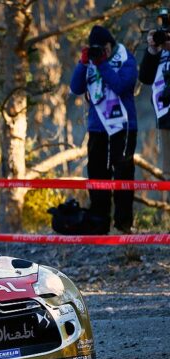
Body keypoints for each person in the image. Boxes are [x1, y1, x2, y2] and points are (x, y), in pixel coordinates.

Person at [70, 25, 138, 234]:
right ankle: (99, 224)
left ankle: (122, 225)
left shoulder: (126, 58)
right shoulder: (90, 61)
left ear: (111, 45)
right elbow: (75, 87)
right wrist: (83, 64)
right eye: (97, 49)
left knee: (123, 175)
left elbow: (121, 85)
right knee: (98, 175)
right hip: (98, 127)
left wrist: (102, 64)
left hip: (123, 125)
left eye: (104, 48)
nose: (102, 52)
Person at [138, 20, 170, 179]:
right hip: (165, 115)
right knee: (168, 171)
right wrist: (152, 50)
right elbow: (145, 77)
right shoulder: (160, 50)